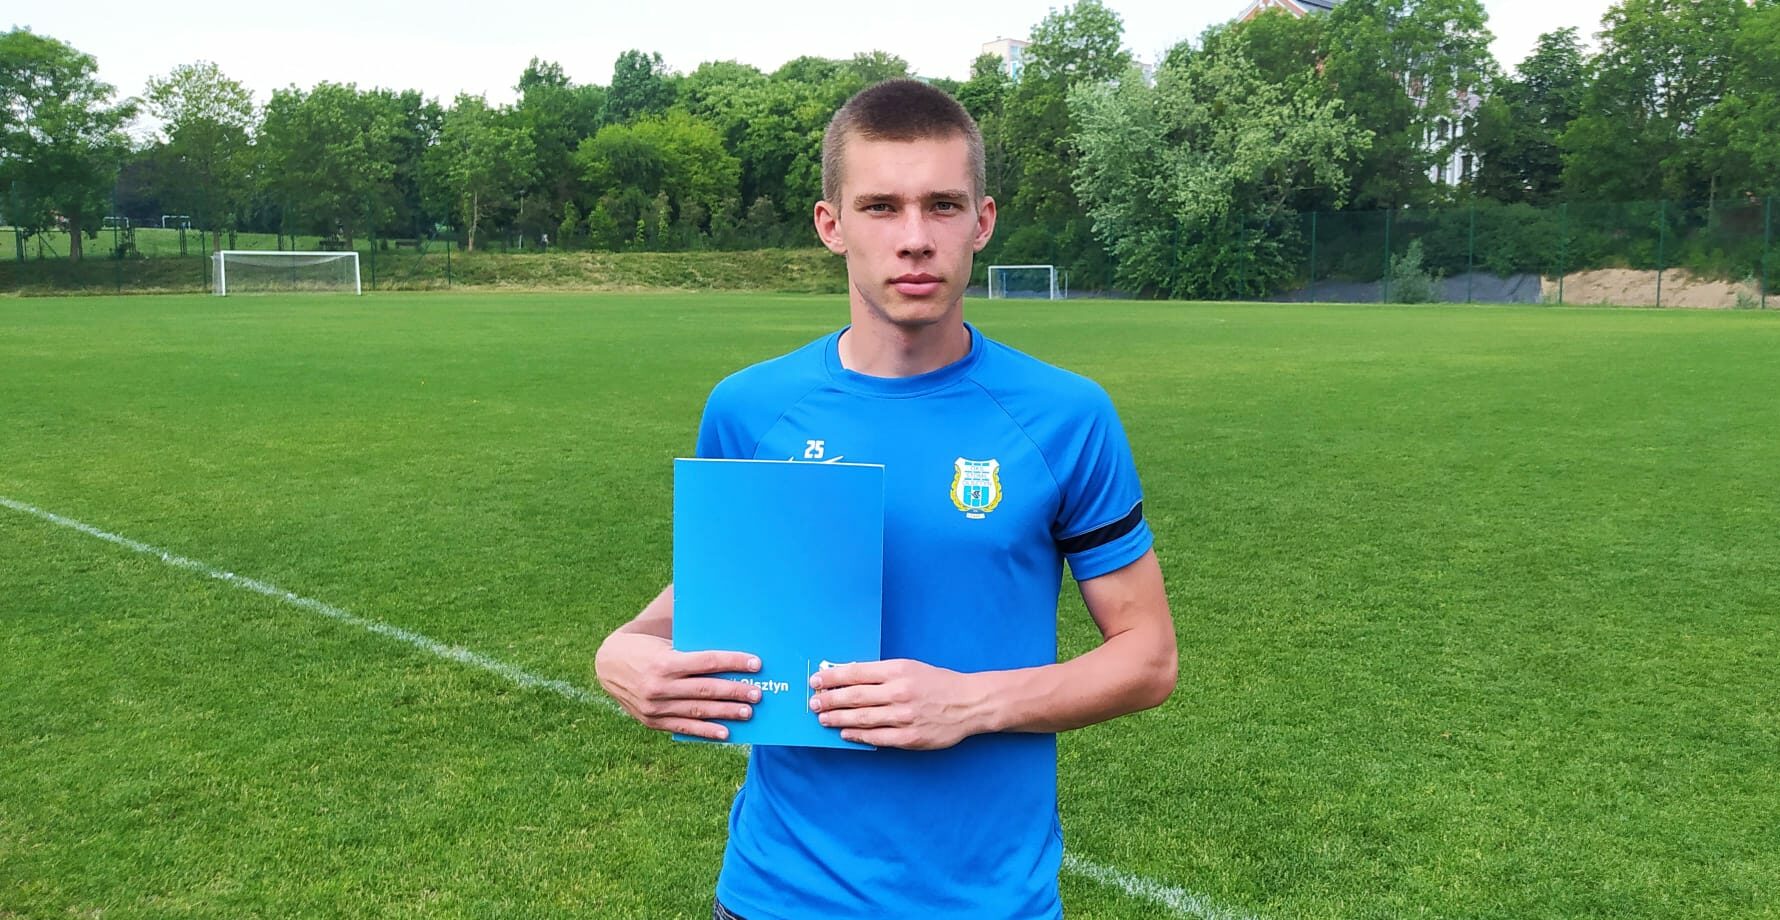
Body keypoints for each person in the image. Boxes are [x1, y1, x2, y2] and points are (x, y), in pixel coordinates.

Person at [594, 79, 1176, 919]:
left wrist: (970, 703)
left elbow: (1148, 656)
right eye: (880, 207)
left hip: (989, 904)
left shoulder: (1065, 416)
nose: (914, 239)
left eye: (942, 205)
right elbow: (733, 588)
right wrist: (622, 649)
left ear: (982, 222)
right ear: (831, 225)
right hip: (774, 896)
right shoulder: (750, 409)